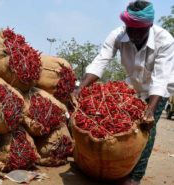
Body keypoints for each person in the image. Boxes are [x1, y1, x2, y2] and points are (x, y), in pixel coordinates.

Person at [74, 1, 174, 185]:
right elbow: (100, 61)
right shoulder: (118, 35)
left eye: (139, 30)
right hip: (134, 87)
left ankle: (136, 176)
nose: (134, 35)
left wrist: (150, 109)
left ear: (149, 25)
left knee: (146, 128)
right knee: (124, 127)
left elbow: (160, 79)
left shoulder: (165, 41)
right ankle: (118, 165)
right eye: (130, 29)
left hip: (159, 91)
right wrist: (82, 87)